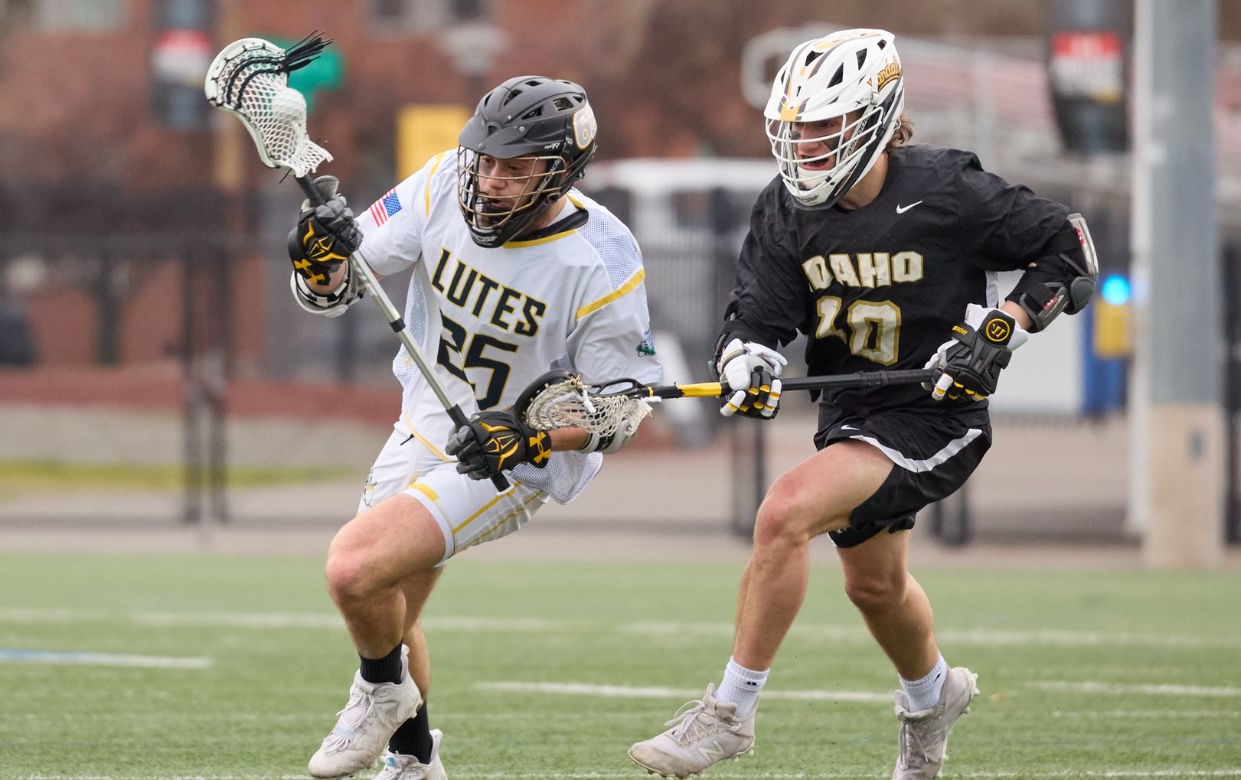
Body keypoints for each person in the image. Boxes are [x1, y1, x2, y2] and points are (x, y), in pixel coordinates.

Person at [627, 28, 1096, 780]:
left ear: (875, 118)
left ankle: (729, 713)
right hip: (854, 418)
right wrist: (747, 360)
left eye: (823, 129)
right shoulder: (785, 209)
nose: (806, 146)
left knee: (784, 510)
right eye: (796, 131)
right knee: (874, 586)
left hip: (937, 412)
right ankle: (933, 695)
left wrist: (998, 332)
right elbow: (757, 316)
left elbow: (1068, 245)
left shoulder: (946, 190)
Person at [289, 75, 663, 780]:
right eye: (485, 160)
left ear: (561, 173)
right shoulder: (439, 184)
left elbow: (623, 408)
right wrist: (317, 263)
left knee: (353, 569)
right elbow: (338, 284)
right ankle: (413, 758)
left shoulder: (603, 259)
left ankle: (378, 691)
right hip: (423, 422)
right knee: (389, 601)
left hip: (508, 461)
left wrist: (531, 436)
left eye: (516, 169)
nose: (490, 181)